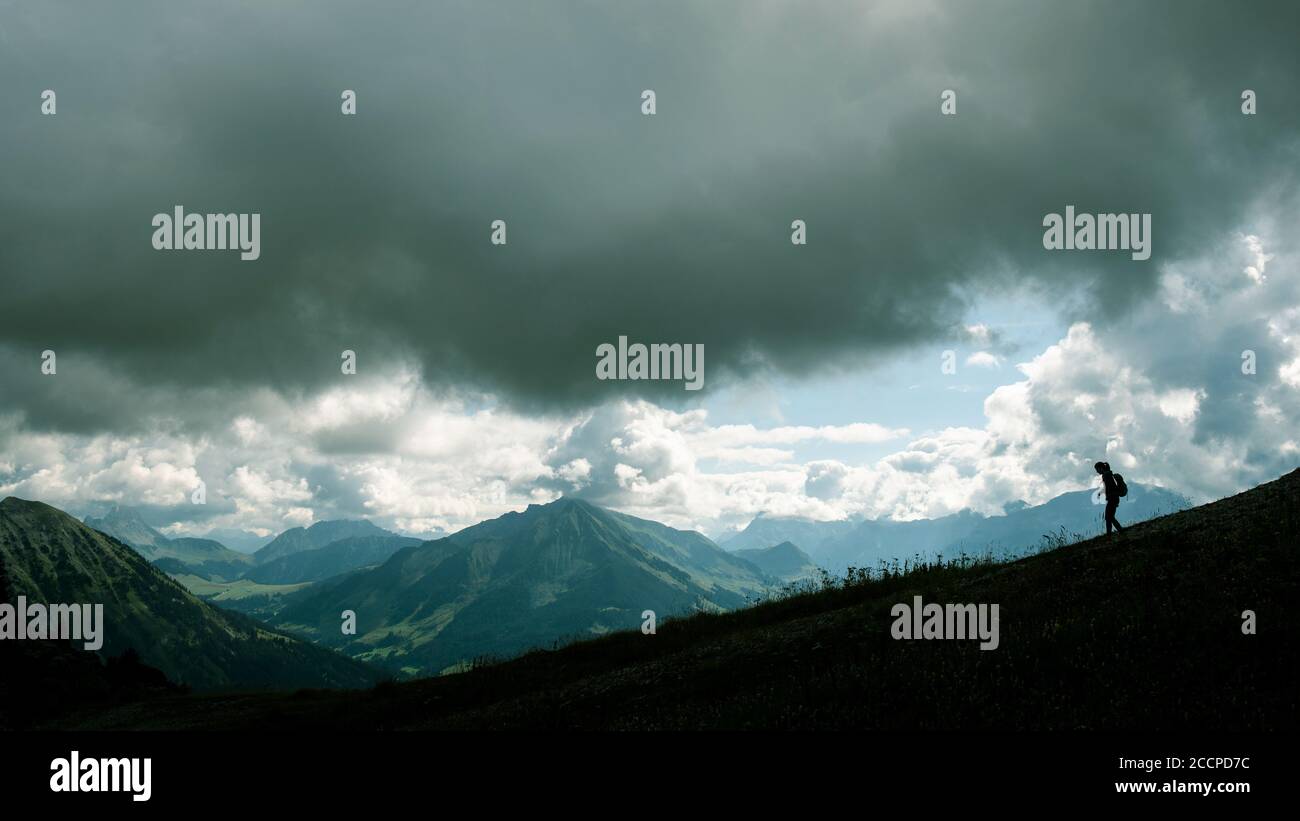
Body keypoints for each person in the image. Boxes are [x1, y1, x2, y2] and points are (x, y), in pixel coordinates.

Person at [1095, 461, 1124, 534]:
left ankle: (1113, 533)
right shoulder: (1108, 474)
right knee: (1110, 517)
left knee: (1108, 517)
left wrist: (1102, 493)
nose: (1097, 471)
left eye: (1097, 469)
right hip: (1114, 498)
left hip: (1112, 498)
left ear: (1101, 468)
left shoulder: (1106, 475)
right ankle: (1118, 531)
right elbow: (1110, 487)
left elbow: (1110, 487)